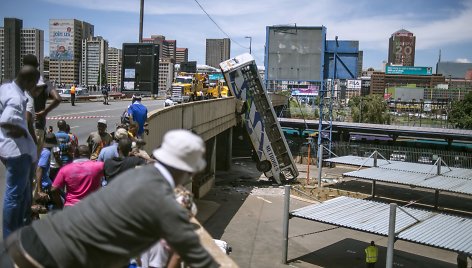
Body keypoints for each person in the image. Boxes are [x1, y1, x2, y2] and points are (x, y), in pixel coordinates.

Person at [0, 129, 218, 267]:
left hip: (24, 244)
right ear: (190, 171)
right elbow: (200, 257)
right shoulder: (165, 201)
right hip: (42, 260)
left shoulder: (138, 175)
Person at [0, 66, 40, 238]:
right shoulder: (17, 99)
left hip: (11, 149)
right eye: (33, 83)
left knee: (22, 194)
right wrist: (21, 132)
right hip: (18, 152)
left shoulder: (6, 88)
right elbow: (6, 121)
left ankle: (19, 230)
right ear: (28, 81)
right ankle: (11, 236)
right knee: (15, 196)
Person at [23, 54, 62, 152]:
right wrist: (44, 112)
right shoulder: (43, 82)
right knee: (34, 163)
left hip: (19, 129)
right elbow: (57, 98)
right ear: (37, 66)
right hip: (37, 129)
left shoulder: (19, 82)